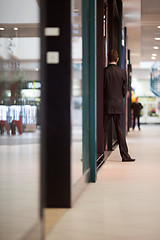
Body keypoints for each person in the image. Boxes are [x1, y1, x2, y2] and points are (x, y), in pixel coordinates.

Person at [103, 50, 135, 162]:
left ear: (108, 58)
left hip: (106, 105)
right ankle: (125, 156)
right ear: (117, 59)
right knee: (120, 131)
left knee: (104, 130)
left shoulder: (104, 72)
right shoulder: (122, 72)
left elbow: (102, 89)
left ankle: (98, 154)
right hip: (118, 105)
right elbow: (124, 91)